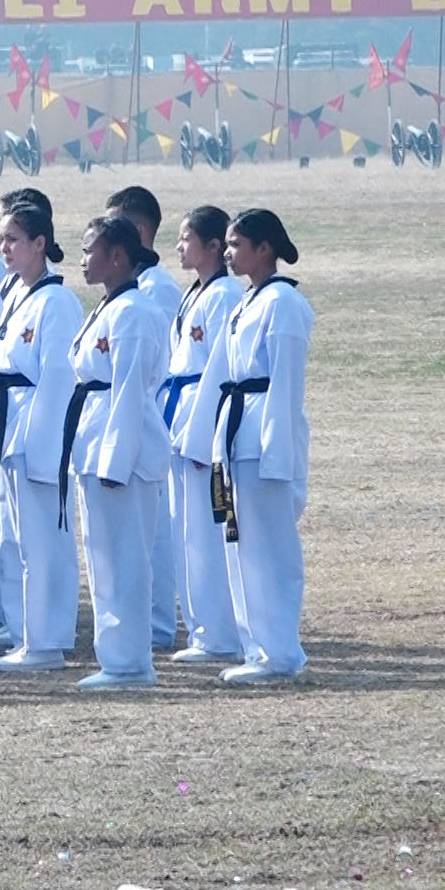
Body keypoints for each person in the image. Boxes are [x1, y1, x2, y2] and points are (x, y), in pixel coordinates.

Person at [206, 209, 314, 684]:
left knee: (270, 549)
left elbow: (285, 386)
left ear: (264, 248)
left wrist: (277, 455)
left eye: (236, 245)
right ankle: (257, 647)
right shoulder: (247, 300)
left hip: (262, 435)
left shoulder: (282, 303)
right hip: (237, 432)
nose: (228, 254)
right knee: (240, 545)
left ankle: (280, 652)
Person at [0, 202, 84, 673]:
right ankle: (25, 634)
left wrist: (45, 450)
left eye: (13, 239)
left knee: (42, 542)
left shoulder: (56, 301)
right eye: (0, 239)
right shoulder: (13, 293)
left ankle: (46, 640)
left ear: (40, 243)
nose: (4, 248)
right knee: (14, 542)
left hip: (33, 430)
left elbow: (58, 378)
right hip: (7, 428)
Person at [67, 217, 171, 690]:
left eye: (90, 250)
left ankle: (130, 662)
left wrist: (116, 461)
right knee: (104, 557)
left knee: (126, 559)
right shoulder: (109, 307)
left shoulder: (134, 312)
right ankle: (116, 658)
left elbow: (129, 391)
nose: (82, 260)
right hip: (95, 439)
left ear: (116, 256)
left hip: (124, 450)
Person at [160, 206, 248, 666]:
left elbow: (219, 370)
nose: (178, 247)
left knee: (206, 532)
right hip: (180, 414)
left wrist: (202, 438)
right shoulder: (192, 293)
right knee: (184, 530)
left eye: (186, 239)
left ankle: (219, 632)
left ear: (213, 246)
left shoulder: (225, 295)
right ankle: (200, 628)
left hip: (203, 418)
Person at [105, 185, 184, 650]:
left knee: (153, 531)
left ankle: (156, 624)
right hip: (138, 413)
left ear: (135, 232)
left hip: (152, 415)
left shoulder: (154, 289)